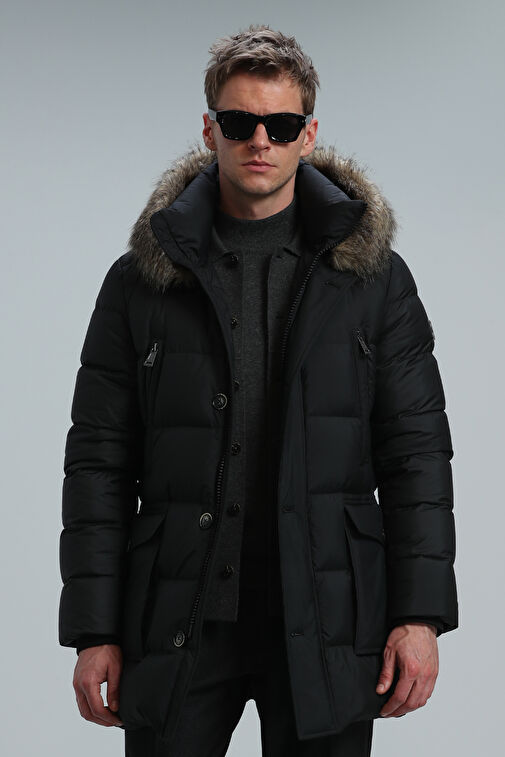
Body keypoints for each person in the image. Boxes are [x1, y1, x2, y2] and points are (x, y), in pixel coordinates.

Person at [58, 23, 458, 757]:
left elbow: (417, 456)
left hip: (328, 617)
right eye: (240, 123)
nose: (260, 141)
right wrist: (93, 630)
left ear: (309, 135)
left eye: (280, 125)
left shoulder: (372, 279)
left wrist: (420, 616)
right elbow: (98, 464)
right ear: (210, 129)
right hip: (177, 617)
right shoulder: (140, 281)